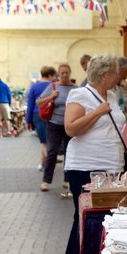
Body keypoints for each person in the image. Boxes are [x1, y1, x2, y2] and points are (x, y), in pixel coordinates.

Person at [61, 55, 124, 254]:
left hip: (111, 165)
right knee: (83, 216)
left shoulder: (113, 95)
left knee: (103, 217)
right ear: (104, 74)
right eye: (115, 72)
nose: (118, 76)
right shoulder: (79, 95)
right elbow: (71, 128)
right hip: (86, 166)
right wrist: (97, 112)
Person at [37, 63, 77, 194]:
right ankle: (46, 181)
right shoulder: (53, 86)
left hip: (69, 124)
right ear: (59, 74)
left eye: (67, 72)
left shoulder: (75, 88)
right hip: (54, 124)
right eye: (62, 73)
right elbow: (39, 102)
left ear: (70, 73)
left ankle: (67, 180)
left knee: (69, 152)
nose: (65, 75)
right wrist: (52, 96)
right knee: (52, 151)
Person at [26, 66, 56, 171]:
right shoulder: (54, 86)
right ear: (50, 75)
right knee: (48, 141)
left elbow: (30, 104)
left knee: (44, 141)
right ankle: (46, 164)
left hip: (36, 115)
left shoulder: (34, 87)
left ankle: (42, 164)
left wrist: (28, 121)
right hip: (51, 114)